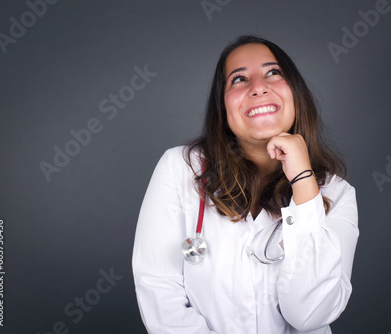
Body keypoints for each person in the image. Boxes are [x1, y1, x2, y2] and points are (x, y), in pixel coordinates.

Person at [132, 35, 359, 334]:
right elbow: (161, 296)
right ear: (222, 107)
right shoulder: (180, 169)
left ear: (296, 93)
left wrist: (303, 183)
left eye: (273, 73)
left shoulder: (336, 193)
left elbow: (310, 315)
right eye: (239, 79)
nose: (258, 87)